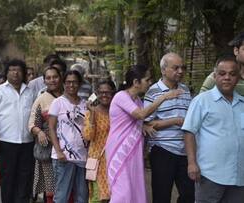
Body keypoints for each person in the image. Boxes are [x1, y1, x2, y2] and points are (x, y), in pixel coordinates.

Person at [105, 65, 182, 203]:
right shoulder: (121, 96)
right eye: (147, 80)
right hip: (120, 151)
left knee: (136, 189)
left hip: (134, 152)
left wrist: (144, 126)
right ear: (136, 82)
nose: (149, 83)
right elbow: (141, 115)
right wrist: (164, 97)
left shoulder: (137, 101)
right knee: (122, 193)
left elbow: (138, 120)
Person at [182, 55, 244, 203]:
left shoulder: (242, 103)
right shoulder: (202, 101)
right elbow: (189, 132)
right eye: (222, 74)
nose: (227, 78)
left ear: (239, 78)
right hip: (210, 174)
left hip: (238, 176)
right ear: (215, 76)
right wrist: (192, 163)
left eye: (232, 74)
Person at [144, 53, 194, 203]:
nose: (180, 71)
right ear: (164, 70)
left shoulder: (185, 90)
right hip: (162, 150)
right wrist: (175, 121)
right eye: (176, 68)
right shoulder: (153, 92)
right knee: (162, 196)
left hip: (185, 150)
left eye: (182, 67)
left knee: (189, 195)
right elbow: (146, 125)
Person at [0, 59, 35, 203]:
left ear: (24, 73)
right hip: (6, 142)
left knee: (25, 177)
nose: (15, 73)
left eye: (19, 70)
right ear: (6, 73)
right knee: (8, 177)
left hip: (27, 142)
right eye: (12, 70)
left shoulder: (31, 92)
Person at [48, 70, 89, 203]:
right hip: (64, 157)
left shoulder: (85, 104)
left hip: (83, 157)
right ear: (64, 83)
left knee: (82, 197)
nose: (71, 85)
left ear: (80, 84)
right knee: (61, 197)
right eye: (68, 82)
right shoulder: (58, 102)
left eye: (75, 82)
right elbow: (51, 128)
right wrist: (59, 151)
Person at [28, 66, 63, 203]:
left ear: (60, 77)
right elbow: (31, 124)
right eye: (48, 78)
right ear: (44, 81)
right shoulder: (41, 99)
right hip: (48, 149)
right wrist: (39, 132)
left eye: (55, 77)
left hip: (68, 149)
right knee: (51, 187)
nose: (52, 80)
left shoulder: (69, 96)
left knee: (66, 185)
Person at [83, 80, 116, 203]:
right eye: (101, 92)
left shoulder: (117, 112)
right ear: (96, 94)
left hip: (114, 161)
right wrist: (92, 113)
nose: (104, 95)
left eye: (108, 92)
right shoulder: (92, 112)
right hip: (97, 162)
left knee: (114, 196)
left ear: (113, 93)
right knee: (98, 197)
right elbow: (88, 136)